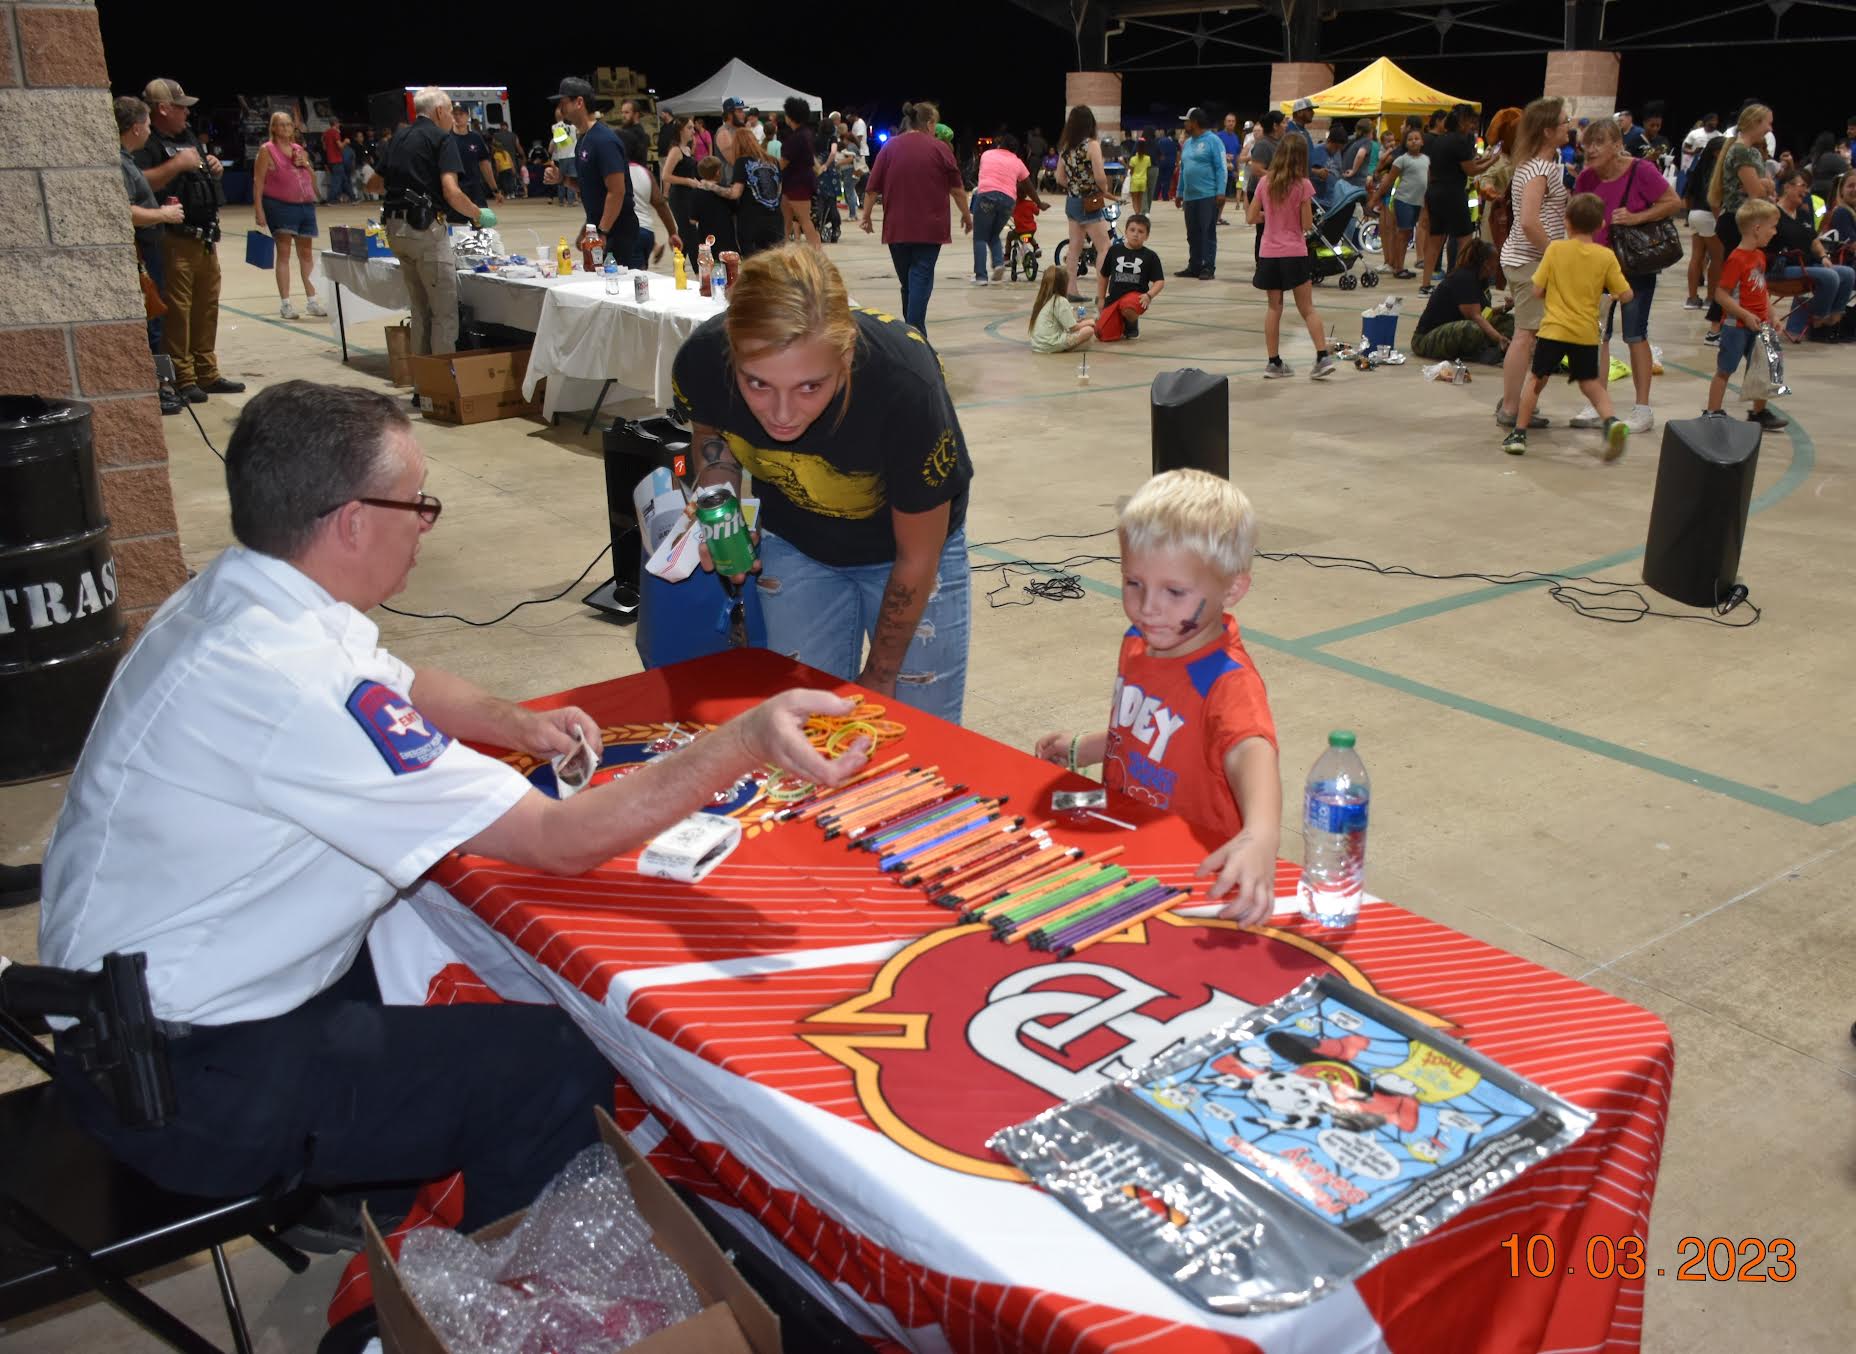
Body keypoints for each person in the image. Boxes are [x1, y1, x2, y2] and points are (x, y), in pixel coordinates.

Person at [37, 379, 869, 1242]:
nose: (427, 524)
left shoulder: (244, 598)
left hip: (134, 1016)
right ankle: (499, 1301)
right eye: (418, 503)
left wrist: (522, 725)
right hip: (180, 1082)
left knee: (431, 945)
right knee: (553, 1063)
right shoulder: (295, 684)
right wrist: (742, 742)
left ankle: (389, 1194)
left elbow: (403, 684)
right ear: (352, 521)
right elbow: (560, 841)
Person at [673, 245, 974, 722]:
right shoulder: (702, 360)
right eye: (757, 385)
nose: (783, 415)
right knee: (807, 725)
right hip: (796, 544)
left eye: (810, 386)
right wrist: (721, 500)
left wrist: (879, 675)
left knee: (916, 732)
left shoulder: (905, 384)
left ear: (846, 354)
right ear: (731, 352)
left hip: (906, 556)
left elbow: (918, 555)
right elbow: (711, 432)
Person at [1032, 469, 1280, 920]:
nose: (1148, 606)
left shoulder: (1226, 680)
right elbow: (1143, 730)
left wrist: (1261, 835)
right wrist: (1084, 747)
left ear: (1233, 588)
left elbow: (1251, 751)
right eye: (1134, 583)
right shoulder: (1139, 640)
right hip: (1126, 833)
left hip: (1189, 865)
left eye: (1175, 591)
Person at [135, 78, 244, 405]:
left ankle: (206, 372)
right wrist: (176, 165)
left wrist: (213, 167)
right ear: (163, 109)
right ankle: (182, 377)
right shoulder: (147, 143)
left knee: (206, 307)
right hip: (173, 239)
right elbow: (141, 182)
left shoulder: (187, 138)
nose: (187, 113)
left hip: (205, 237)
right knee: (178, 312)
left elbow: (197, 175)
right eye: (181, 106)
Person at [1501, 192, 1632, 459]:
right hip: (1585, 333)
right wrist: (1613, 294)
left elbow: (1537, 290)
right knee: (1591, 383)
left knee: (1537, 380)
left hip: (1553, 330)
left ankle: (1519, 433)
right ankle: (1611, 421)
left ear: (1567, 221)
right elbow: (1626, 294)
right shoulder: (1605, 256)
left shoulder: (1555, 250)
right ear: (1600, 226)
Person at [1574, 116, 1684, 434]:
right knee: (1598, 336)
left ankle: (1642, 409)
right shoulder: (1585, 179)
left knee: (1635, 333)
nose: (1590, 150)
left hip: (1634, 265)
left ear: (1617, 145)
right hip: (1596, 267)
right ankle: (1598, 403)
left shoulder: (1642, 171)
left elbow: (1673, 202)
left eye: (1598, 143)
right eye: (1587, 143)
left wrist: (1637, 217)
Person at [381, 87, 491, 358]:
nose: (452, 119)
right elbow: (451, 192)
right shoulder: (441, 138)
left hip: (395, 229)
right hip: (424, 230)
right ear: (440, 111)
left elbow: (375, 182)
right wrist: (478, 214)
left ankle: (422, 385)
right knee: (444, 313)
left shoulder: (398, 137)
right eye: (450, 112)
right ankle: (442, 385)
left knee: (420, 311)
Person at [546, 77, 678, 270]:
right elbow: (591, 186)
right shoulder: (582, 140)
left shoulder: (604, 141)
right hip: (599, 230)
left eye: (564, 102)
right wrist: (562, 179)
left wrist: (602, 232)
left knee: (617, 289)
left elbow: (617, 191)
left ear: (579, 102)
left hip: (617, 233)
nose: (560, 108)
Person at [861, 101, 970, 335]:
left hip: (896, 228)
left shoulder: (889, 148)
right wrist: (966, 215)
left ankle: (911, 334)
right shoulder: (940, 148)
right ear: (930, 123)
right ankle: (915, 332)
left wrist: (866, 216)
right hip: (930, 228)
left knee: (908, 283)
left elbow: (872, 188)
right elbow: (957, 189)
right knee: (920, 277)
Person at [1496, 98, 1572, 430]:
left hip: (1526, 259)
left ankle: (1513, 401)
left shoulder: (1534, 165)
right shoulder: (1540, 169)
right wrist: (1558, 253)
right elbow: (1529, 221)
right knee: (1526, 335)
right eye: (1565, 121)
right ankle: (1512, 408)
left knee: (1528, 334)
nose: (1570, 126)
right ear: (1548, 130)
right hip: (1530, 261)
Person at [115, 96, 185, 415]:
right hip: (142, 253)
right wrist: (163, 216)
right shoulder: (119, 163)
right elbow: (124, 211)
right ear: (136, 127)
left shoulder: (126, 160)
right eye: (144, 124)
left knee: (152, 321)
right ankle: (153, 388)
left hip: (148, 251)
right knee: (150, 323)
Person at [1247, 133, 1334, 380]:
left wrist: (1271, 217)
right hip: (1294, 252)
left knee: (1274, 308)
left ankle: (1273, 363)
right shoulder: (1303, 185)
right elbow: (1307, 224)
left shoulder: (1265, 183)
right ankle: (1321, 357)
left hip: (1269, 253)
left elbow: (1251, 216)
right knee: (1307, 308)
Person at [1706, 199, 1784, 427]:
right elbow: (1721, 294)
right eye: (1772, 226)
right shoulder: (1736, 259)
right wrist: (1744, 315)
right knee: (1725, 369)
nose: (1775, 231)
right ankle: (1713, 411)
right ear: (1757, 228)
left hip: (1761, 325)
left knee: (1765, 367)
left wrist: (1773, 314)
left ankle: (1759, 412)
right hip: (1736, 327)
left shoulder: (1759, 256)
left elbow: (1762, 290)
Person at [1703, 104, 1776, 345]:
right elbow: (1756, 191)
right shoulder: (1744, 152)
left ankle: (1726, 325)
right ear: (1755, 123)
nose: (1770, 128)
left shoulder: (1744, 150)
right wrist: (1765, 184)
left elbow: (1754, 187)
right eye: (1767, 122)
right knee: (1731, 277)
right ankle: (1716, 328)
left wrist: (1762, 184)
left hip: (1735, 219)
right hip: (1739, 221)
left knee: (1733, 275)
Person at [252, 110, 326, 322]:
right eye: (281, 124)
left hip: (305, 205)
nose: (285, 128)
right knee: (283, 254)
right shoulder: (267, 150)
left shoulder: (298, 150)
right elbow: (258, 182)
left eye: (288, 124)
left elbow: (312, 181)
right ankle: (286, 303)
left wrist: (306, 164)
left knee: (306, 255)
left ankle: (312, 300)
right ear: (273, 128)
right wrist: (259, 210)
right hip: (280, 206)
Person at [1769, 168, 1854, 342]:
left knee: (1847, 273)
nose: (1806, 191)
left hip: (1806, 265)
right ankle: (1818, 322)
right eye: (1802, 186)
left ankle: (1833, 319)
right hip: (1781, 268)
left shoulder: (1803, 213)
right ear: (1787, 187)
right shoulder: (1772, 213)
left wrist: (1823, 256)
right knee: (1829, 276)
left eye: (1807, 187)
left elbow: (1814, 240)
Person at [1419, 105, 1494, 292]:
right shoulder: (1460, 141)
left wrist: (1485, 159)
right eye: (1469, 121)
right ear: (1461, 121)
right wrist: (1494, 160)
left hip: (1434, 191)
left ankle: (1425, 284)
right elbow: (1471, 169)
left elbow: (1466, 163)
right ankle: (1459, 280)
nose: (1471, 125)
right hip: (1452, 192)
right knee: (1464, 238)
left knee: (1435, 241)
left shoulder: (1438, 141)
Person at [1410, 237, 1513, 361]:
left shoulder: (1481, 279)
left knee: (1508, 320)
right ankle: (1481, 353)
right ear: (1486, 263)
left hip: (1454, 329)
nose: (1498, 264)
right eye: (1496, 261)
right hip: (1425, 340)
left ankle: (1497, 349)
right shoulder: (1464, 278)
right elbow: (1476, 317)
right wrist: (1498, 338)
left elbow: (1485, 313)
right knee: (1472, 329)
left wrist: (1504, 308)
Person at [698, 130, 784, 258]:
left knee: (753, 263)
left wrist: (712, 186)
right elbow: (778, 191)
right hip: (775, 219)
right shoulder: (774, 161)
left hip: (752, 221)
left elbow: (735, 193)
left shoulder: (742, 162)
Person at [1056, 104, 1111, 295]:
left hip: (1072, 202)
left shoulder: (1065, 147)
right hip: (1090, 202)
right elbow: (1100, 176)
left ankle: (1071, 290)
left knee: (1074, 247)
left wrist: (1074, 186)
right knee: (1104, 247)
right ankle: (1101, 293)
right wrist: (1104, 190)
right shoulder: (1092, 145)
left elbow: (1059, 177)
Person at [1092, 211, 1164, 341]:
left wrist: (1149, 295)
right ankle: (1119, 323)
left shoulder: (1150, 256)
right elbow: (1104, 275)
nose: (1136, 234)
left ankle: (1132, 325)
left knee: (1127, 305)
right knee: (1101, 334)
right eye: (1132, 230)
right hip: (1114, 298)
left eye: (1141, 231)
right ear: (1125, 232)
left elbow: (1159, 281)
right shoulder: (1114, 251)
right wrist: (1101, 298)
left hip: (1135, 298)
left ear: (1147, 236)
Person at [971, 134, 1029, 284]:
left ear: (1000, 144)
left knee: (980, 237)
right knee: (994, 234)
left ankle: (981, 276)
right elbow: (1027, 184)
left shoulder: (987, 154)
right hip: (1008, 201)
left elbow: (980, 170)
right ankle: (998, 263)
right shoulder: (1017, 162)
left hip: (987, 196)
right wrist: (1039, 202)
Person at [1176, 107, 1225, 280]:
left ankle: (1208, 266)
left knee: (1207, 232)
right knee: (1192, 233)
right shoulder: (1188, 143)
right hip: (1190, 196)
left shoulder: (1213, 141)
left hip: (1208, 195)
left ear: (1195, 122)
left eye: (1187, 121)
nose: (1185, 124)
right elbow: (1183, 169)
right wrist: (1179, 191)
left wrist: (1220, 191)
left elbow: (1221, 168)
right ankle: (1194, 265)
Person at [1684, 126, 1728, 310]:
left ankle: (1692, 298)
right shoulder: (1717, 172)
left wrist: (1689, 216)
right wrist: (1720, 221)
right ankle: (1711, 298)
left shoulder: (1698, 168)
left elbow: (1688, 194)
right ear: (1718, 152)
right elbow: (1714, 200)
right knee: (1717, 258)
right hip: (1710, 215)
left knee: (1697, 257)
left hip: (1695, 214)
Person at [1380, 127, 1430, 279]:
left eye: (1417, 138)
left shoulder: (1426, 160)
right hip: (1403, 200)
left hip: (1418, 202)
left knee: (1407, 234)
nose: (1414, 141)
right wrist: (1376, 197)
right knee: (1403, 233)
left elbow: (1428, 180)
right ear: (1405, 143)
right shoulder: (1401, 160)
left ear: (1422, 141)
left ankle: (1399, 265)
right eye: (1410, 139)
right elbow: (1389, 180)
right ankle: (1398, 267)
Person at [777, 97, 821, 246]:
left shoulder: (796, 138)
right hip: (795, 183)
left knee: (804, 221)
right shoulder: (806, 134)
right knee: (786, 220)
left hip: (797, 184)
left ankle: (817, 254)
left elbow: (783, 163)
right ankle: (782, 250)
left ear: (790, 116)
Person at [621, 129, 664, 268]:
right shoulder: (645, 172)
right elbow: (660, 203)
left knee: (631, 282)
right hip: (647, 231)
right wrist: (672, 232)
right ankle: (655, 246)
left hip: (628, 233)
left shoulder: (617, 172)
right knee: (641, 279)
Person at [1244, 111, 1284, 259]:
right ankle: (1261, 262)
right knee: (1263, 229)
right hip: (1259, 191)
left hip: (1273, 190)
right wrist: (1280, 177)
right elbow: (1256, 169)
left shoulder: (1278, 143)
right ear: (1275, 126)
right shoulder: (1263, 144)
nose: (1285, 126)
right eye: (1283, 123)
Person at [449, 107, 501, 220]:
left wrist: (495, 190)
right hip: (456, 190)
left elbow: (485, 165)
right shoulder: (446, 139)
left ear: (467, 117)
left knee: (482, 223)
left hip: (475, 190)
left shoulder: (476, 138)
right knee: (456, 226)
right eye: (455, 114)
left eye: (461, 114)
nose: (457, 117)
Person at [1028, 265, 1094, 353]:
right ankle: (1063, 348)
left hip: (1037, 345)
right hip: (1050, 344)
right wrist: (1089, 322)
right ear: (1063, 284)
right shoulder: (1060, 301)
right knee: (1088, 330)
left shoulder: (1042, 300)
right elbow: (1073, 328)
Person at [1808, 131, 1851, 205]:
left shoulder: (1816, 158)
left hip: (1815, 194)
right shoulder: (1835, 158)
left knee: (1819, 214)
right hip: (1830, 195)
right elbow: (1846, 175)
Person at [1216, 112, 1244, 216]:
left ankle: (1218, 217)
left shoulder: (1236, 137)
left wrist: (1237, 171)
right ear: (1224, 122)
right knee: (1218, 195)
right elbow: (1214, 153)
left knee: (1225, 197)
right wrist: (1225, 157)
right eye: (1229, 121)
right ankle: (1214, 217)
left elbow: (1237, 155)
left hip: (1231, 172)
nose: (1231, 123)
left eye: (1233, 121)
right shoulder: (1218, 136)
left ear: (1235, 123)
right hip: (1220, 170)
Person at [549, 116, 577, 206]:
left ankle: (561, 200)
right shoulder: (573, 127)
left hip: (561, 156)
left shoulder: (555, 127)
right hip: (572, 155)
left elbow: (553, 145)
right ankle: (571, 201)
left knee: (561, 178)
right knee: (571, 177)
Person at [1150, 124, 1176, 204]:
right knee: (1167, 180)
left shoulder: (1159, 141)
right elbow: (1177, 153)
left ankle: (1155, 196)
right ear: (1173, 135)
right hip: (1170, 163)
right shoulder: (1174, 142)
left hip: (1160, 163)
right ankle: (1165, 197)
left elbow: (1155, 151)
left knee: (1158, 180)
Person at [1125, 137, 1151, 214]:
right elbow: (1147, 169)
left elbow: (1131, 171)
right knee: (1140, 199)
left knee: (1134, 199)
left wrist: (1123, 164)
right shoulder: (1148, 158)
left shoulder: (1133, 159)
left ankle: (1137, 213)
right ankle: (1139, 213)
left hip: (1135, 181)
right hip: (1143, 181)